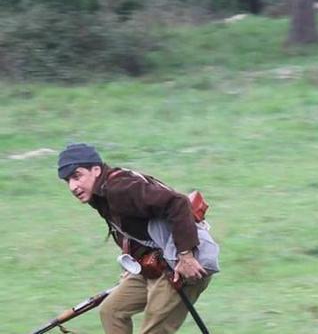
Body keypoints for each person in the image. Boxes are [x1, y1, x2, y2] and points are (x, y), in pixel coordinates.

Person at [57, 143, 219, 334]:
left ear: (96, 170)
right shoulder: (100, 194)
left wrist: (186, 255)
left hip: (183, 263)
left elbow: (178, 203)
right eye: (68, 181)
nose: (73, 187)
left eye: (77, 176)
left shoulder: (120, 188)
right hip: (155, 262)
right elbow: (137, 227)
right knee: (111, 311)